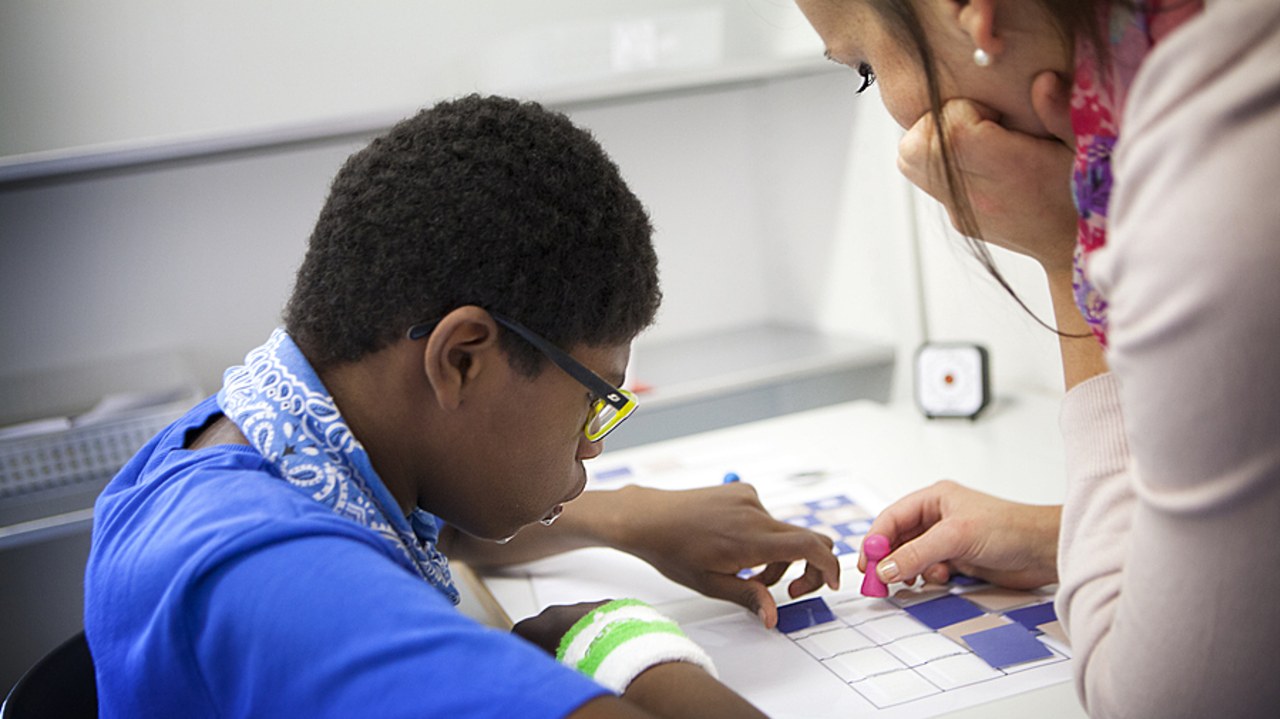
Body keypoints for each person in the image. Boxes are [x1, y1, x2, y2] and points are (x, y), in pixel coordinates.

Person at [84, 94, 841, 718]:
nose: (592, 447)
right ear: (462, 358)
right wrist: (616, 639)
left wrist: (625, 515)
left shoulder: (256, 437)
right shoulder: (278, 581)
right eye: (591, 400)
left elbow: (422, 520)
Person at [794, 0, 1280, 715]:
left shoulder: (1214, 192)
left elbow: (1155, 700)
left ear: (977, 17)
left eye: (866, 69)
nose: (894, 116)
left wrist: (1068, 254)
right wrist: (1061, 534)